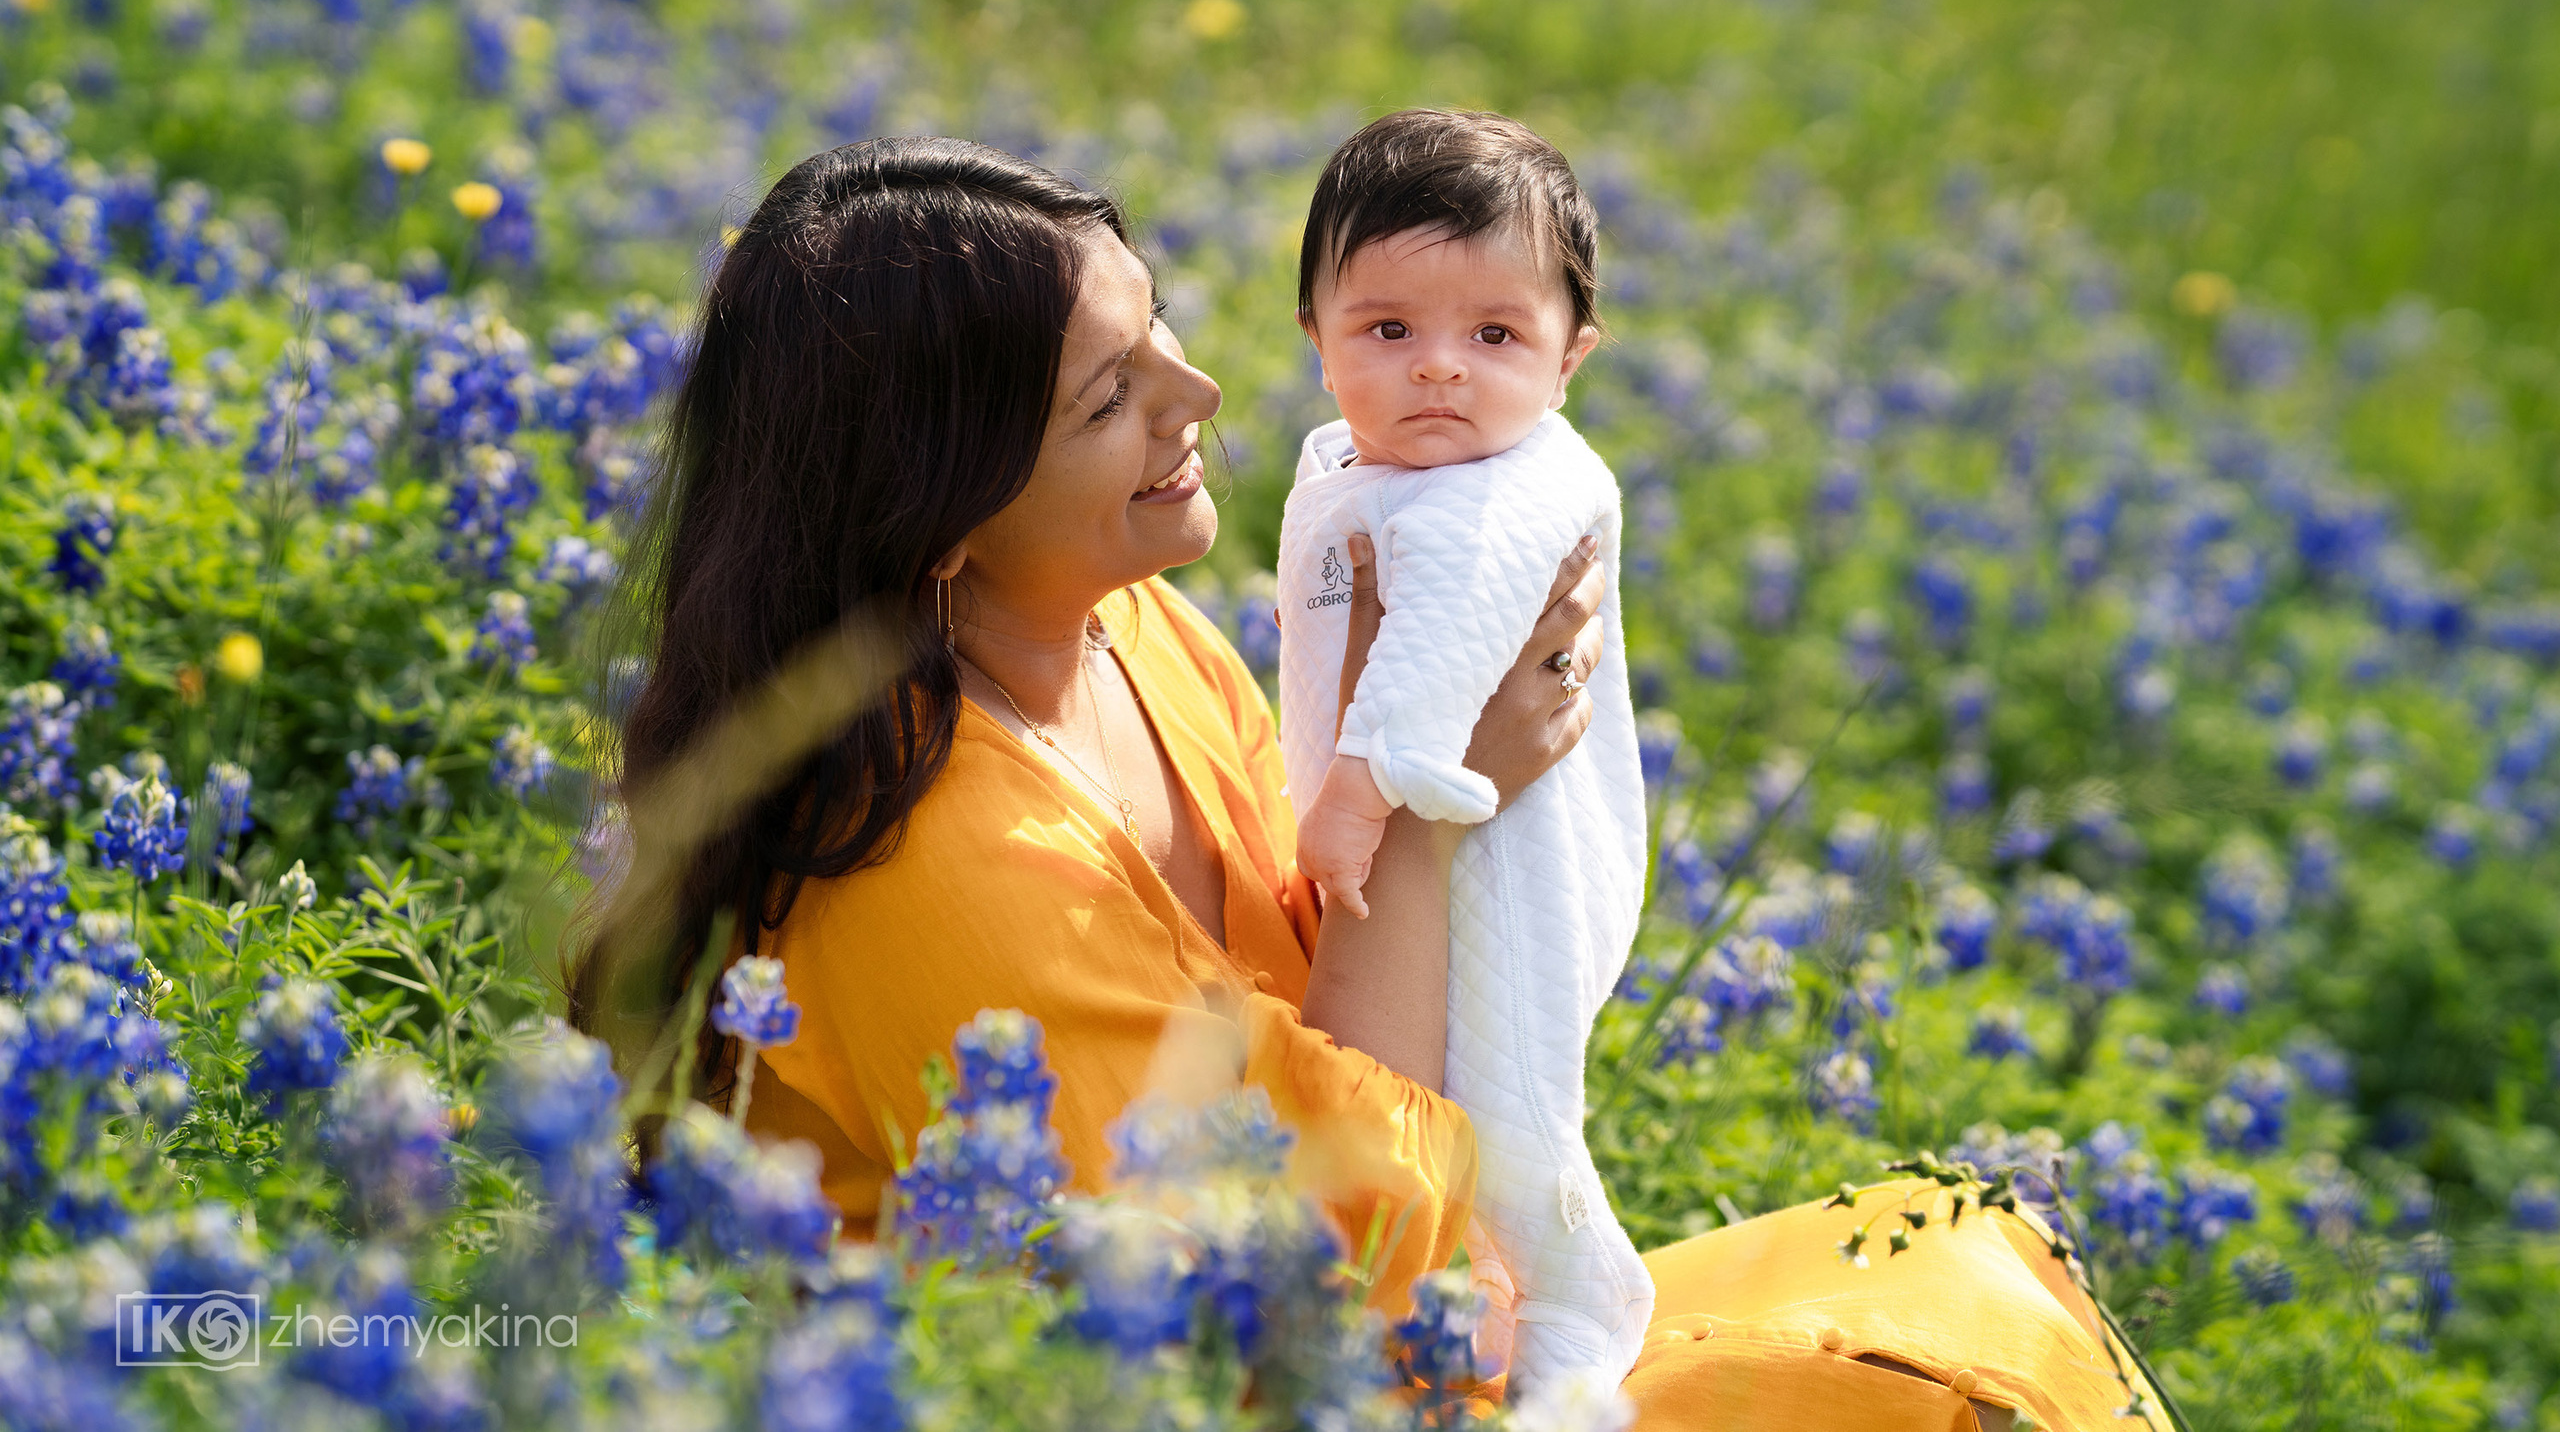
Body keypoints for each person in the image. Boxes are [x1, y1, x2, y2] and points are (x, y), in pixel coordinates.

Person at [568, 134, 2162, 1431]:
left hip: (1420, 1285)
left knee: (1972, 1268)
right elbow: (1303, 1276)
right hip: (1213, 1375)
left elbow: (1331, 1018)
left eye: (1160, 324)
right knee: (1932, 1390)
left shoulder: (1136, 630)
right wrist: (1437, 788)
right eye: (1110, 396)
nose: (1198, 394)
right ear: (938, 509)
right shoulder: (940, 859)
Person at [1279, 110, 1651, 1395]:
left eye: (1494, 336)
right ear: (1317, 341)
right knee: (1453, 1117)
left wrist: (1360, 787)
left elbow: (1445, 632)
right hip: (1433, 849)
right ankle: (1478, 1313)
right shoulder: (1362, 463)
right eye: (1388, 330)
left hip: (1499, 853)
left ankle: (1565, 1333)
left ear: (1569, 358)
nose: (1439, 369)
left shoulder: (1502, 493)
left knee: (1507, 1117)